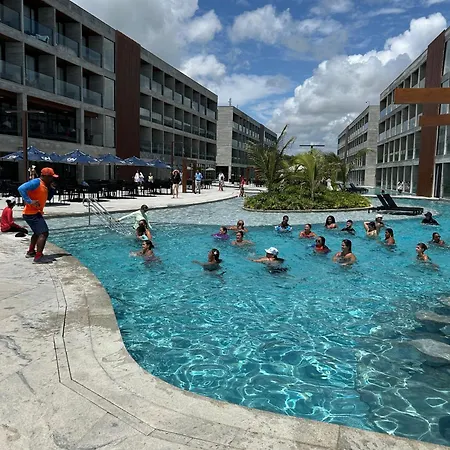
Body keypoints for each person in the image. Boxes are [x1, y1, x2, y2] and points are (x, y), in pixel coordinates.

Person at [18, 167, 58, 264]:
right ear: (45, 176)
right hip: (31, 213)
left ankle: (31, 251)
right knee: (44, 233)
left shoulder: (44, 185)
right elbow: (21, 189)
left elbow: (48, 198)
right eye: (51, 177)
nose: (52, 179)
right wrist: (30, 201)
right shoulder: (36, 182)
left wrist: (52, 189)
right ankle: (38, 257)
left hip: (35, 213)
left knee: (37, 233)